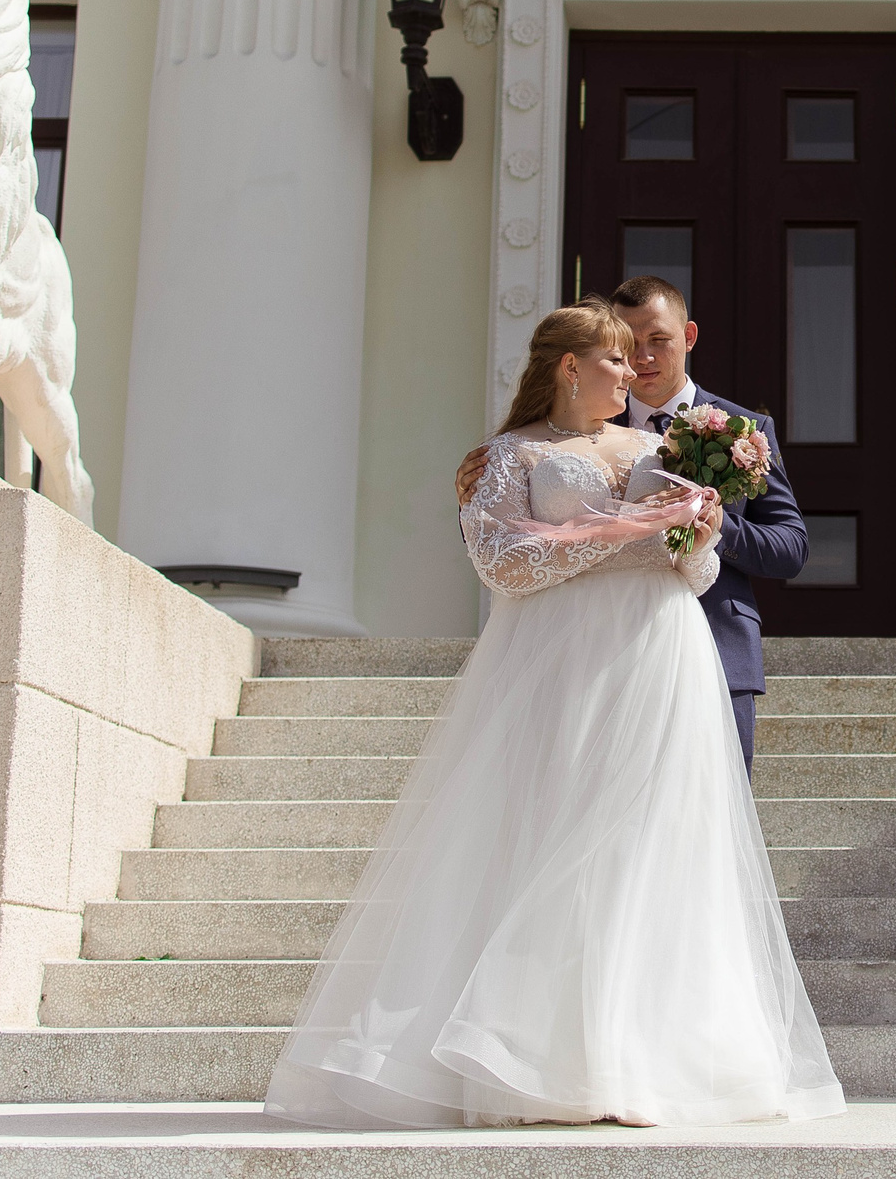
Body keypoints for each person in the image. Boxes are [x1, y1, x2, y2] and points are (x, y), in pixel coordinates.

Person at [267, 300, 843, 1131]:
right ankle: (534, 1061)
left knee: (648, 847)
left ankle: (643, 1056)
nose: (633, 369)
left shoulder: (660, 447)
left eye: (638, 354)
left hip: (662, 655)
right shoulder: (510, 455)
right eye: (614, 358)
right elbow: (504, 563)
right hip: (559, 662)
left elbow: (693, 573)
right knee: (555, 839)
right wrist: (627, 529)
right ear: (571, 367)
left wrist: (700, 532)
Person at [608, 275, 807, 773]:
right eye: (629, 345)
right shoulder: (588, 430)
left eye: (659, 341)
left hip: (718, 646)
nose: (643, 358)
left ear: (689, 337)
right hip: (609, 650)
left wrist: (719, 528)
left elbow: (790, 547)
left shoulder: (746, 430)